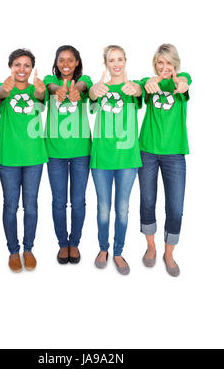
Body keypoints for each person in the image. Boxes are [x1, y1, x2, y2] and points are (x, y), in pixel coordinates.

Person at [138, 43, 192, 277]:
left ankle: (169, 253)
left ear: (175, 63)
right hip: (147, 151)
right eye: (160, 63)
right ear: (155, 65)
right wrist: (150, 83)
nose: (165, 67)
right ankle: (151, 246)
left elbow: (184, 84)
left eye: (169, 62)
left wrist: (180, 83)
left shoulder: (183, 78)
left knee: (176, 207)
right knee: (148, 201)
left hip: (174, 154)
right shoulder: (149, 82)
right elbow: (144, 88)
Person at [89, 45, 142, 275]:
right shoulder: (99, 88)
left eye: (120, 59)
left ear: (126, 61)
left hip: (128, 157)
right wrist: (93, 91)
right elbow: (90, 100)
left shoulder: (133, 87)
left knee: (122, 208)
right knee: (103, 208)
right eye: (112, 60)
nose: (116, 64)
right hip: (102, 157)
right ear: (106, 64)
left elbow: (140, 92)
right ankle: (103, 249)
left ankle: (118, 251)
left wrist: (137, 88)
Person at [0, 48, 48, 272]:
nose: (22, 69)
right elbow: (0, 96)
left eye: (27, 65)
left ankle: (28, 249)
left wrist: (41, 92)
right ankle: (13, 251)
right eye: (17, 64)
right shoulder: (3, 88)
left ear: (32, 68)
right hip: (8, 157)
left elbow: (41, 98)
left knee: (31, 206)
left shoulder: (37, 89)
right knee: (10, 205)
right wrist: (3, 92)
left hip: (34, 156)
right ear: (10, 67)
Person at [43, 45, 92, 265]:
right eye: (61, 60)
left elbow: (83, 85)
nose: (65, 64)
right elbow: (50, 86)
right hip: (55, 152)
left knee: (79, 201)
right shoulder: (47, 80)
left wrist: (76, 89)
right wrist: (58, 90)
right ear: (56, 62)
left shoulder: (86, 80)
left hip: (81, 151)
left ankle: (75, 242)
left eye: (70, 60)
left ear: (77, 63)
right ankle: (63, 243)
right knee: (59, 201)